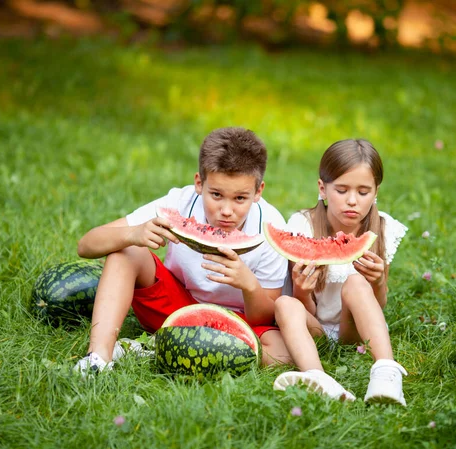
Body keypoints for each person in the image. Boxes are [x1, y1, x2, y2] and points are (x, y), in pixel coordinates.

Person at [74, 127, 291, 374]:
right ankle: (98, 359)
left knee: (282, 353)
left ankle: (151, 348)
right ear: (199, 183)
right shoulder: (179, 203)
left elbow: (264, 316)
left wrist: (248, 285)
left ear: (258, 191)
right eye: (216, 195)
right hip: (174, 308)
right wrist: (133, 234)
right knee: (127, 251)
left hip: (239, 323)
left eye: (240, 198)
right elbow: (86, 245)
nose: (227, 210)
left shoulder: (271, 226)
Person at [272, 138, 408, 405]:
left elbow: (378, 304)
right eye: (342, 190)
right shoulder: (302, 225)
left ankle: (386, 370)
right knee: (285, 303)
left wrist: (379, 281)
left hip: (353, 331)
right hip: (315, 329)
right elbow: (306, 311)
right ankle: (318, 378)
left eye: (363, 192)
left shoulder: (382, 228)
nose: (352, 201)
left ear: (376, 191)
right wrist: (301, 288)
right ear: (322, 188)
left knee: (357, 284)